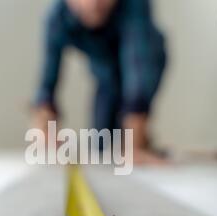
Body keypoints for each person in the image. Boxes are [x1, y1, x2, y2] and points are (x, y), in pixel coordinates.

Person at [33, 0, 167, 164]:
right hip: (106, 77)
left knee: (129, 146)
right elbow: (47, 83)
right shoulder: (56, 15)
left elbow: (137, 73)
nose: (93, 4)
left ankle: (144, 142)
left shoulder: (135, 5)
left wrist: (134, 144)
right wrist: (45, 128)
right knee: (100, 145)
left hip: (148, 61)